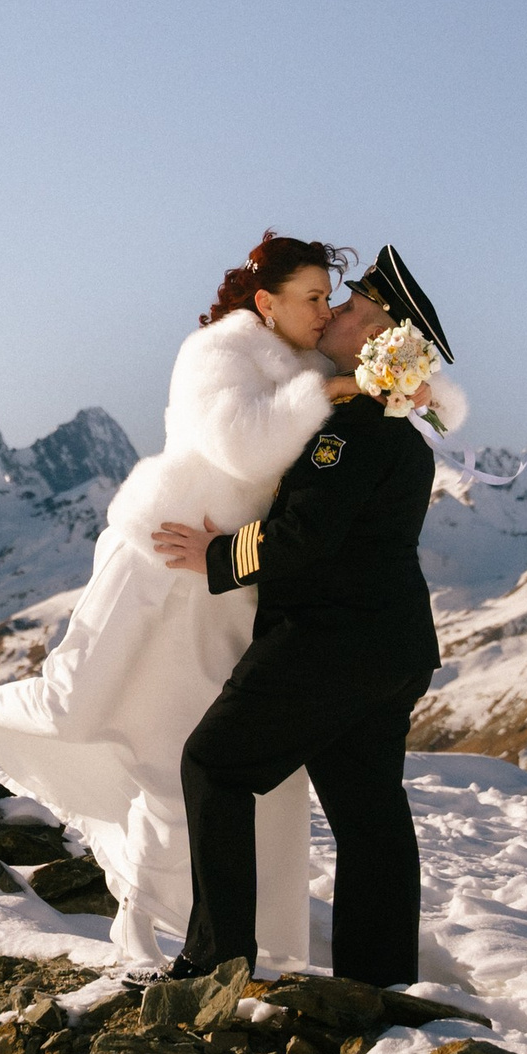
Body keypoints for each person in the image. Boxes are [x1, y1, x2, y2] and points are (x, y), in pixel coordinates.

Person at [0, 232, 355, 971]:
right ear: (266, 302)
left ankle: (137, 921)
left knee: (178, 758)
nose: (324, 309)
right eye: (312, 295)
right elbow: (245, 446)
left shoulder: (311, 365)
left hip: (219, 579)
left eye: (329, 296)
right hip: (156, 548)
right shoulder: (218, 353)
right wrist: (330, 391)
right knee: (74, 703)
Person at [155, 244, 457, 987]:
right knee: (369, 817)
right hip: (394, 649)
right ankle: (375, 985)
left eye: (354, 308)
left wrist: (217, 557)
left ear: (385, 339)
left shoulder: (348, 429)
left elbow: (305, 537)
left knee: (213, 764)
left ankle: (216, 960)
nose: (336, 312)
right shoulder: (402, 435)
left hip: (329, 643)